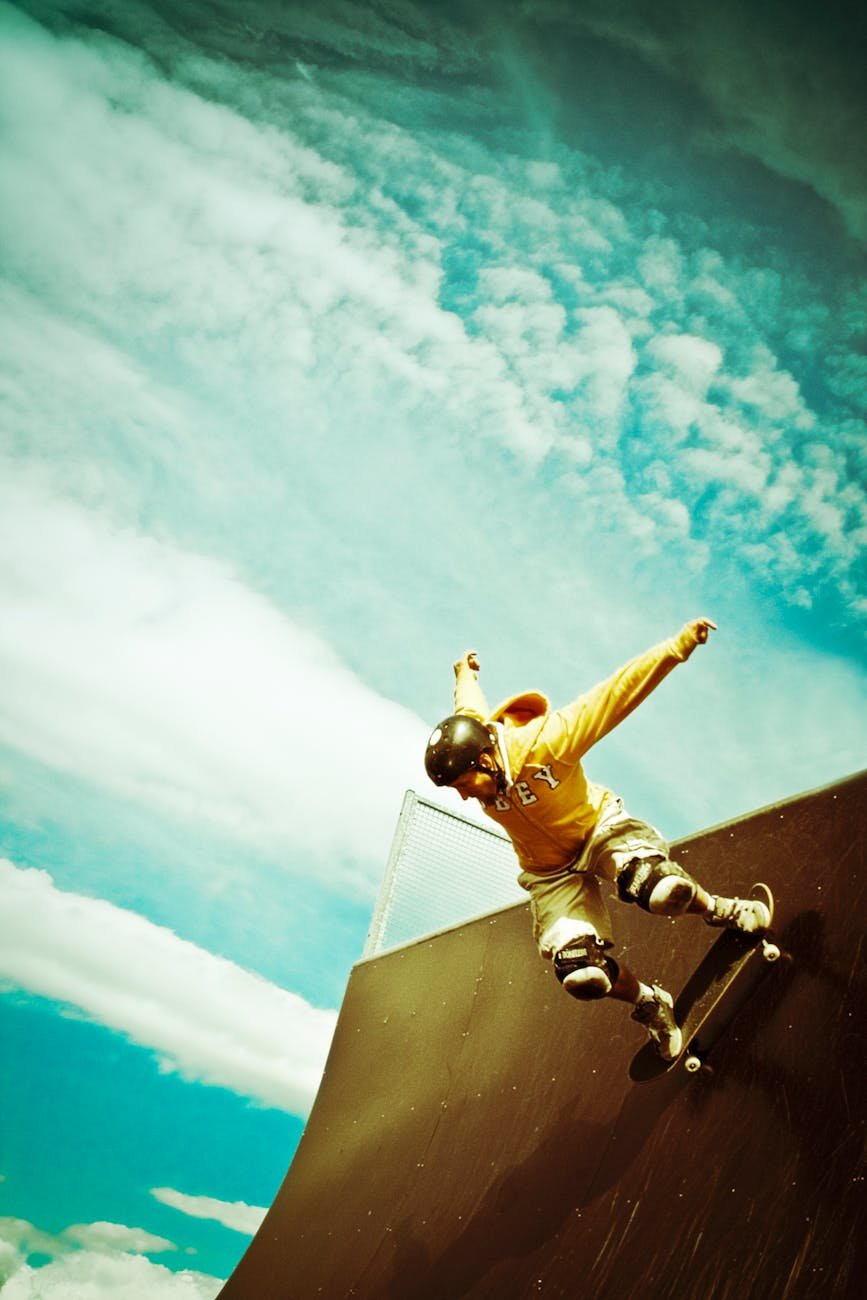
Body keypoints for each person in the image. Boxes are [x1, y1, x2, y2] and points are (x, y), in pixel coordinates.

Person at [423, 620, 770, 1061]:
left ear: (487, 759)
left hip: (598, 831)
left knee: (659, 889)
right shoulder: (477, 743)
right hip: (549, 872)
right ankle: (650, 1003)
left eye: (464, 784)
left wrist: (678, 646)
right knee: (580, 972)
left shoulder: (547, 742)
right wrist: (464, 673)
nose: (464, 796)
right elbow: (468, 709)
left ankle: (722, 909)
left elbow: (613, 696)